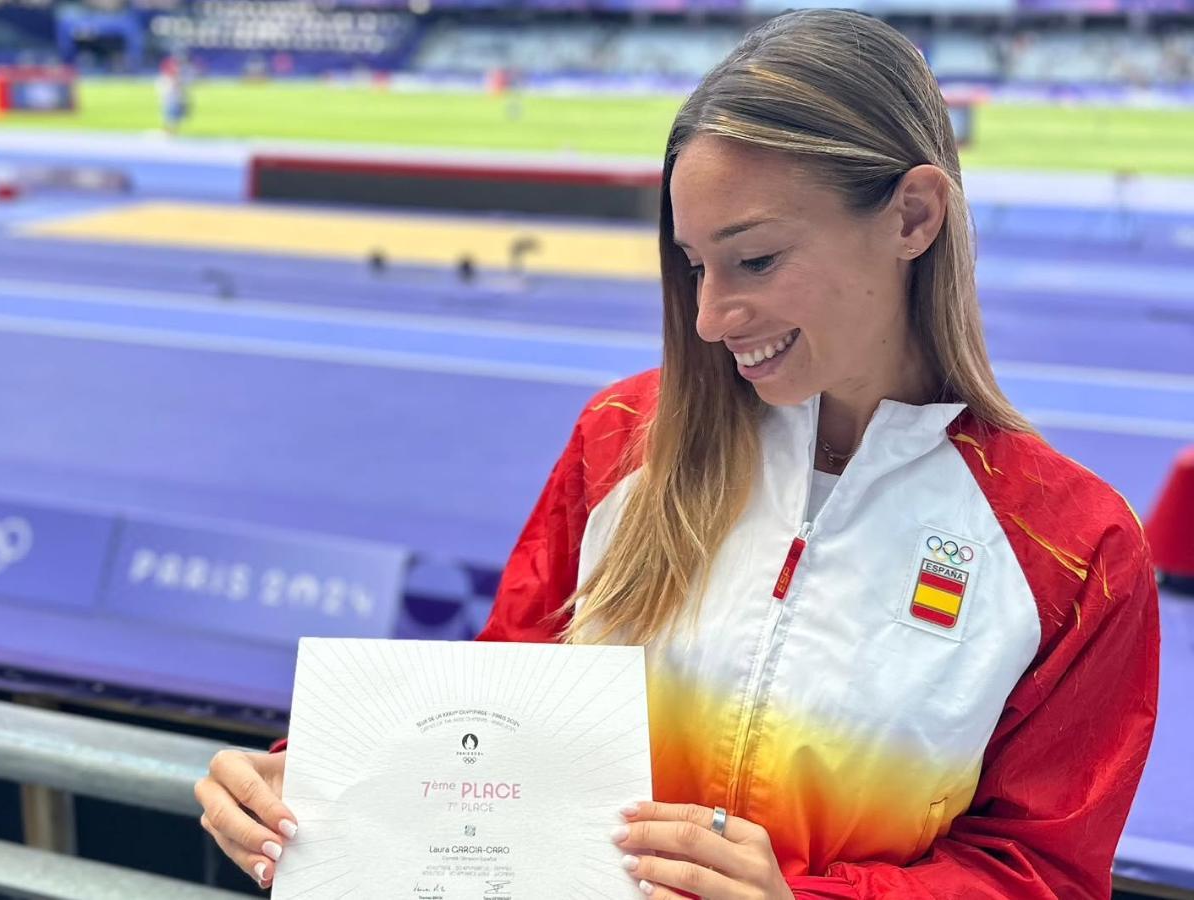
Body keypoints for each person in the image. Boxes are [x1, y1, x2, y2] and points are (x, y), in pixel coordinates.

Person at [194, 10, 1159, 897]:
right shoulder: (623, 439)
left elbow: (1040, 874)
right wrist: (324, 785)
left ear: (912, 217)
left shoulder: (1074, 553)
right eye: (695, 264)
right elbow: (506, 710)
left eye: (756, 260)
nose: (707, 319)